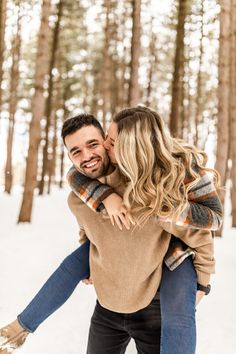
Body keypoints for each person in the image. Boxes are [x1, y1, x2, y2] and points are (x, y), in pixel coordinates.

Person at [0, 108, 222, 354]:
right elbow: (83, 213)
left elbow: (203, 231)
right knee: (76, 260)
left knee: (178, 319)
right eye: (76, 151)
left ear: (122, 146)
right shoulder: (81, 196)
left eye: (100, 143)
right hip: (109, 309)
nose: (90, 154)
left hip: (158, 292)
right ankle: (17, 330)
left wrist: (203, 282)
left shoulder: (157, 187)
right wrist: (105, 199)